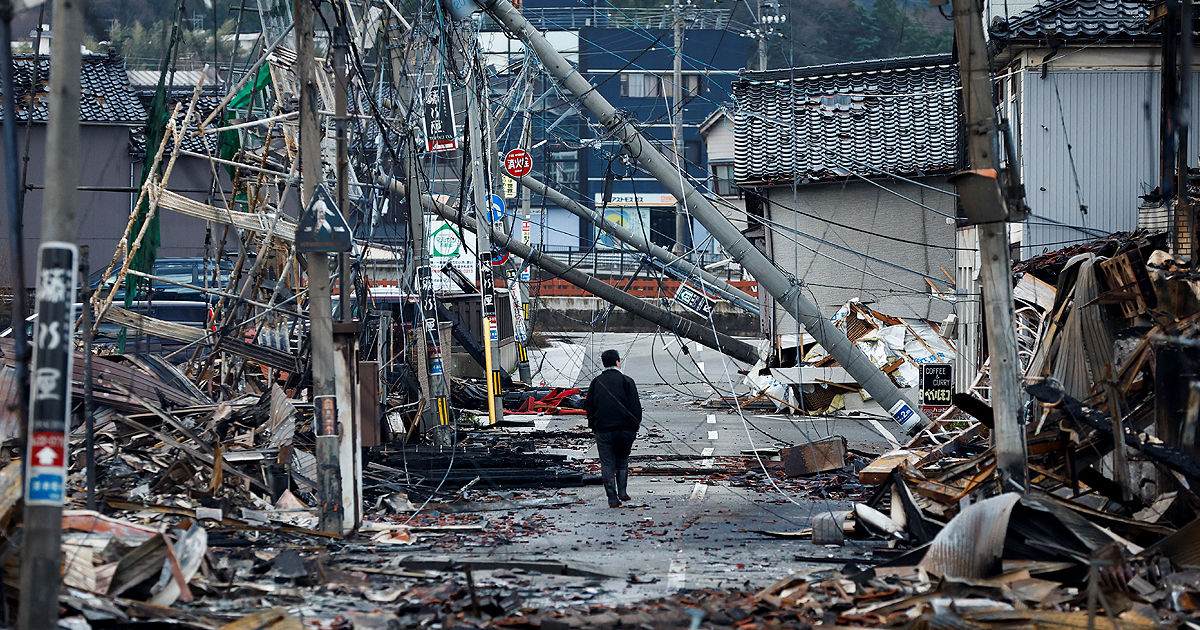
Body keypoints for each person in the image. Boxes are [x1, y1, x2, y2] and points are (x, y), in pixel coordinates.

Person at [585, 349, 642, 507]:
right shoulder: (627, 381)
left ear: (604, 363)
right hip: (625, 429)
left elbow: (588, 406)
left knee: (607, 462)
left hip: (603, 430)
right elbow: (636, 407)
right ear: (618, 362)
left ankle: (611, 497)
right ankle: (622, 491)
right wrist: (634, 426)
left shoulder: (596, 382)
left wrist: (593, 425)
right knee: (622, 460)